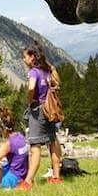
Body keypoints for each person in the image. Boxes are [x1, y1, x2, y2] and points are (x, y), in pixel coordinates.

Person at [22, 45, 63, 187]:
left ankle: (27, 182)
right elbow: (57, 83)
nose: (24, 59)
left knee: (35, 145)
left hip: (37, 111)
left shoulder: (33, 72)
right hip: (49, 110)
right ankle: (56, 177)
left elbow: (32, 87)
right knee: (52, 142)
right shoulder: (46, 70)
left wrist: (29, 100)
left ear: (32, 57)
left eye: (25, 56)